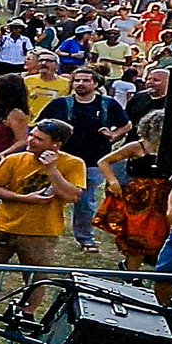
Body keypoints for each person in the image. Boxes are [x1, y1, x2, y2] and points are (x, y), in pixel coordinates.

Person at [0, 120, 85, 315]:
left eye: (39, 138)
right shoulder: (14, 159)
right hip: (2, 227)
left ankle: (27, 313)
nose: (31, 140)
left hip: (40, 233)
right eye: (32, 135)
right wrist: (23, 198)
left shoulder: (73, 164)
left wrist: (52, 169)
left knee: (36, 278)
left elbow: (72, 195)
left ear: (56, 144)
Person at [36, 66, 129, 253]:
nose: (80, 84)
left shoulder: (107, 104)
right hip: (60, 159)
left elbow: (126, 125)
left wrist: (113, 135)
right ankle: (38, 234)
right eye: (77, 80)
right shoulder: (60, 104)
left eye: (86, 80)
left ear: (95, 84)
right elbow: (40, 125)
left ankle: (85, 238)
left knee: (85, 202)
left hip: (93, 161)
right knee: (45, 196)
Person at [97, 112, 172, 272]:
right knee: (135, 238)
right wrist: (112, 181)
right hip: (138, 200)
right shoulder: (136, 146)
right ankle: (132, 273)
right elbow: (104, 162)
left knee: (159, 236)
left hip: (164, 198)